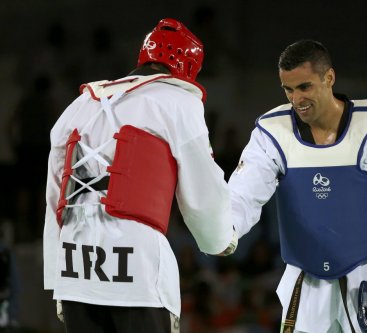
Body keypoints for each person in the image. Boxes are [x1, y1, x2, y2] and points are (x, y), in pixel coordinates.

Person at [228, 40, 367, 332]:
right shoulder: (272, 135)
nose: (296, 99)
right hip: (306, 287)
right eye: (288, 90)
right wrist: (226, 229)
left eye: (304, 87)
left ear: (329, 78)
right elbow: (243, 194)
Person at [43, 18, 237, 333]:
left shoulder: (80, 104)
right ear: (188, 68)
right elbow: (202, 185)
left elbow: (56, 195)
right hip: (137, 270)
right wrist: (219, 238)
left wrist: (56, 277)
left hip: (75, 269)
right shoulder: (179, 102)